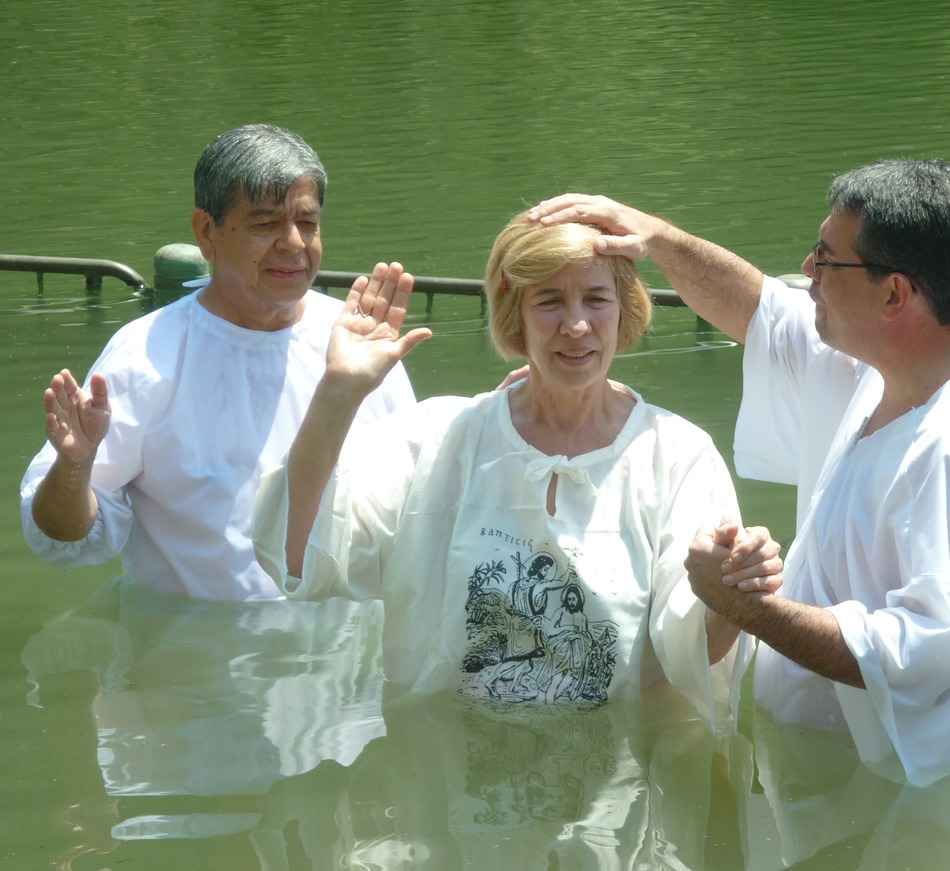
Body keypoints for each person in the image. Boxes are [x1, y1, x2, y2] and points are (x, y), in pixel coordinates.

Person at [528, 159, 950, 785]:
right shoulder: (884, 365)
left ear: (894, 295)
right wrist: (655, 237)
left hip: (912, 814)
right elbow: (759, 311)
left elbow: (929, 654)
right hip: (830, 787)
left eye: (826, 260)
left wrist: (745, 607)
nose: (807, 271)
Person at [252, 216, 782, 732]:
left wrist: (733, 596)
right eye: (549, 301)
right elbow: (295, 560)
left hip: (610, 787)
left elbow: (691, 653)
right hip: (445, 774)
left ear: (624, 311)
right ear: (514, 313)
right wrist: (338, 392)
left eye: (596, 299)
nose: (576, 325)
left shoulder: (677, 455)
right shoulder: (437, 438)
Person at [18, 124, 416, 601]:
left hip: (343, 654)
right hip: (194, 651)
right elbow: (64, 539)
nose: (293, 243)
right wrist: (75, 467)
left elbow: (416, 504)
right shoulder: (147, 356)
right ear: (207, 233)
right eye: (266, 224)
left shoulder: (359, 343)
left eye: (307, 224)